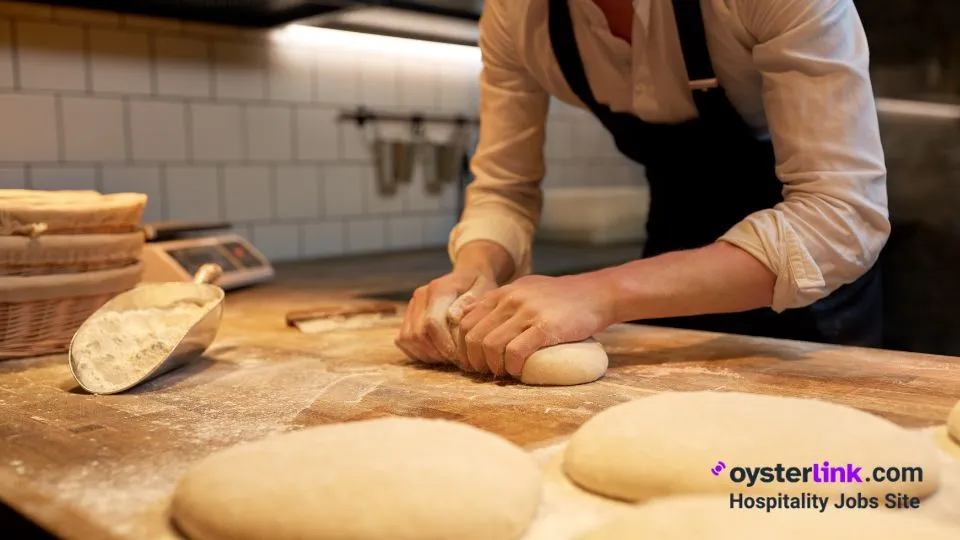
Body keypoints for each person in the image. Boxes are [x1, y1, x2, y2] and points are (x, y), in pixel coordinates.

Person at [396, 0, 888, 378]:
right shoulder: (516, 16)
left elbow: (839, 216)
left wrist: (602, 292)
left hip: (808, 282)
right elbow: (504, 188)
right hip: (673, 244)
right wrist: (475, 270)